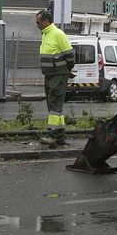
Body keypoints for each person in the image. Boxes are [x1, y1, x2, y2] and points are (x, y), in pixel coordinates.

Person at [35, 10, 74, 146]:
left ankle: (51, 135)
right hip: (50, 75)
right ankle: (60, 136)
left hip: (58, 74)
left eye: (38, 22)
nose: (37, 24)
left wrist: (65, 70)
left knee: (55, 104)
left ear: (46, 21)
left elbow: (70, 55)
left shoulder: (58, 34)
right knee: (55, 106)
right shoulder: (46, 34)